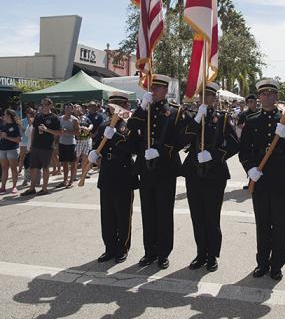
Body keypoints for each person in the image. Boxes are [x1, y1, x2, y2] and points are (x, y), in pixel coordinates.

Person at [239, 78, 285, 280]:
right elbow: (244, 151)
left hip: (281, 179)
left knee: (279, 223)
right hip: (259, 178)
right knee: (262, 223)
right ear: (259, 97)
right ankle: (262, 263)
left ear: (276, 96)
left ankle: (277, 264)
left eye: (271, 93)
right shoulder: (251, 120)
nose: (267, 97)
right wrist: (250, 169)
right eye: (263, 93)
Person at [129, 74, 187, 270]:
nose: (153, 91)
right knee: (148, 212)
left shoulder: (175, 111)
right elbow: (131, 127)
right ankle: (149, 252)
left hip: (165, 169)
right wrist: (141, 106)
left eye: (157, 88)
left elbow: (181, 139)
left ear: (165, 90)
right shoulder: (144, 109)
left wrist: (161, 151)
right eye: (151, 88)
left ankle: (163, 253)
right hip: (145, 169)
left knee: (163, 212)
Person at [181, 82, 240, 272]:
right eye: (202, 95)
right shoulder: (192, 117)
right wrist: (197, 119)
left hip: (215, 174)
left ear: (215, 98)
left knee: (211, 217)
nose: (205, 99)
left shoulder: (222, 119)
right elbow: (183, 139)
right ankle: (200, 253)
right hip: (193, 173)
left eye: (209, 96)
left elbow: (234, 144)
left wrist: (214, 156)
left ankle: (212, 255)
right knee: (197, 216)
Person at [88, 92, 138, 264]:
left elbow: (133, 148)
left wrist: (115, 136)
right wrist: (93, 155)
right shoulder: (104, 125)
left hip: (123, 173)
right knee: (107, 215)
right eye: (112, 105)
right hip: (107, 173)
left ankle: (122, 248)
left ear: (125, 106)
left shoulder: (130, 125)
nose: (114, 109)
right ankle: (109, 248)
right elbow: (97, 146)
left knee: (123, 215)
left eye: (118, 105)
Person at [21, 98, 61, 197]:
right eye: (42, 104)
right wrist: (31, 144)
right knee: (33, 168)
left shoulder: (54, 118)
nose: (43, 106)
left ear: (50, 105)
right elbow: (34, 130)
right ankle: (32, 188)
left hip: (47, 146)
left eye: (45, 104)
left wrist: (47, 130)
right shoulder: (38, 116)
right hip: (35, 146)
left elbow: (59, 132)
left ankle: (44, 188)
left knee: (45, 168)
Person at [58, 103, 80, 188]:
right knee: (64, 163)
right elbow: (58, 130)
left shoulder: (75, 120)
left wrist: (67, 132)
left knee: (73, 163)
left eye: (69, 108)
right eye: (66, 108)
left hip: (71, 143)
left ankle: (71, 180)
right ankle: (65, 180)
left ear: (72, 110)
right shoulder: (60, 118)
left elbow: (78, 133)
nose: (67, 110)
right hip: (61, 143)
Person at [0, 109, 22, 194]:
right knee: (4, 168)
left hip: (12, 149)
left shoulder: (16, 126)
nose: (3, 116)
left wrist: (6, 137)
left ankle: (14, 187)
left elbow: (19, 140)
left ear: (9, 116)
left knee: (13, 169)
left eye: (5, 114)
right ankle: (3, 187)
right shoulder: (2, 125)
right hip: (2, 149)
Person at [74, 104, 93, 178]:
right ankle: (74, 174)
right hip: (77, 140)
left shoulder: (85, 117)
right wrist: (81, 127)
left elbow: (91, 124)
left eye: (78, 107)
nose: (77, 109)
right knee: (76, 158)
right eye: (75, 107)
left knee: (85, 157)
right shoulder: (72, 118)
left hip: (87, 139)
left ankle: (84, 173)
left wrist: (89, 128)